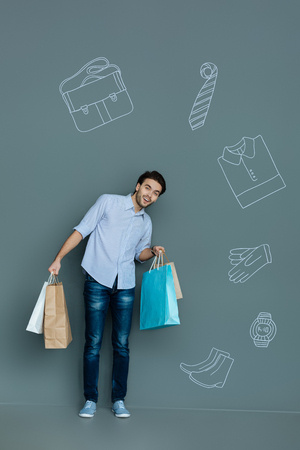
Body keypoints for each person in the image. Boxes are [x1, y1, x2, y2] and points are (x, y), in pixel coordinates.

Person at [48, 171, 166, 419]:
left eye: (156, 193)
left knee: (122, 345)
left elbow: (138, 254)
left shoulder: (146, 222)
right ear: (137, 186)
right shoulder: (108, 202)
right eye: (148, 188)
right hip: (97, 281)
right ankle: (90, 399)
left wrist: (152, 251)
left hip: (125, 285)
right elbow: (82, 230)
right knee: (93, 344)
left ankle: (118, 400)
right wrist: (58, 259)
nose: (150, 195)